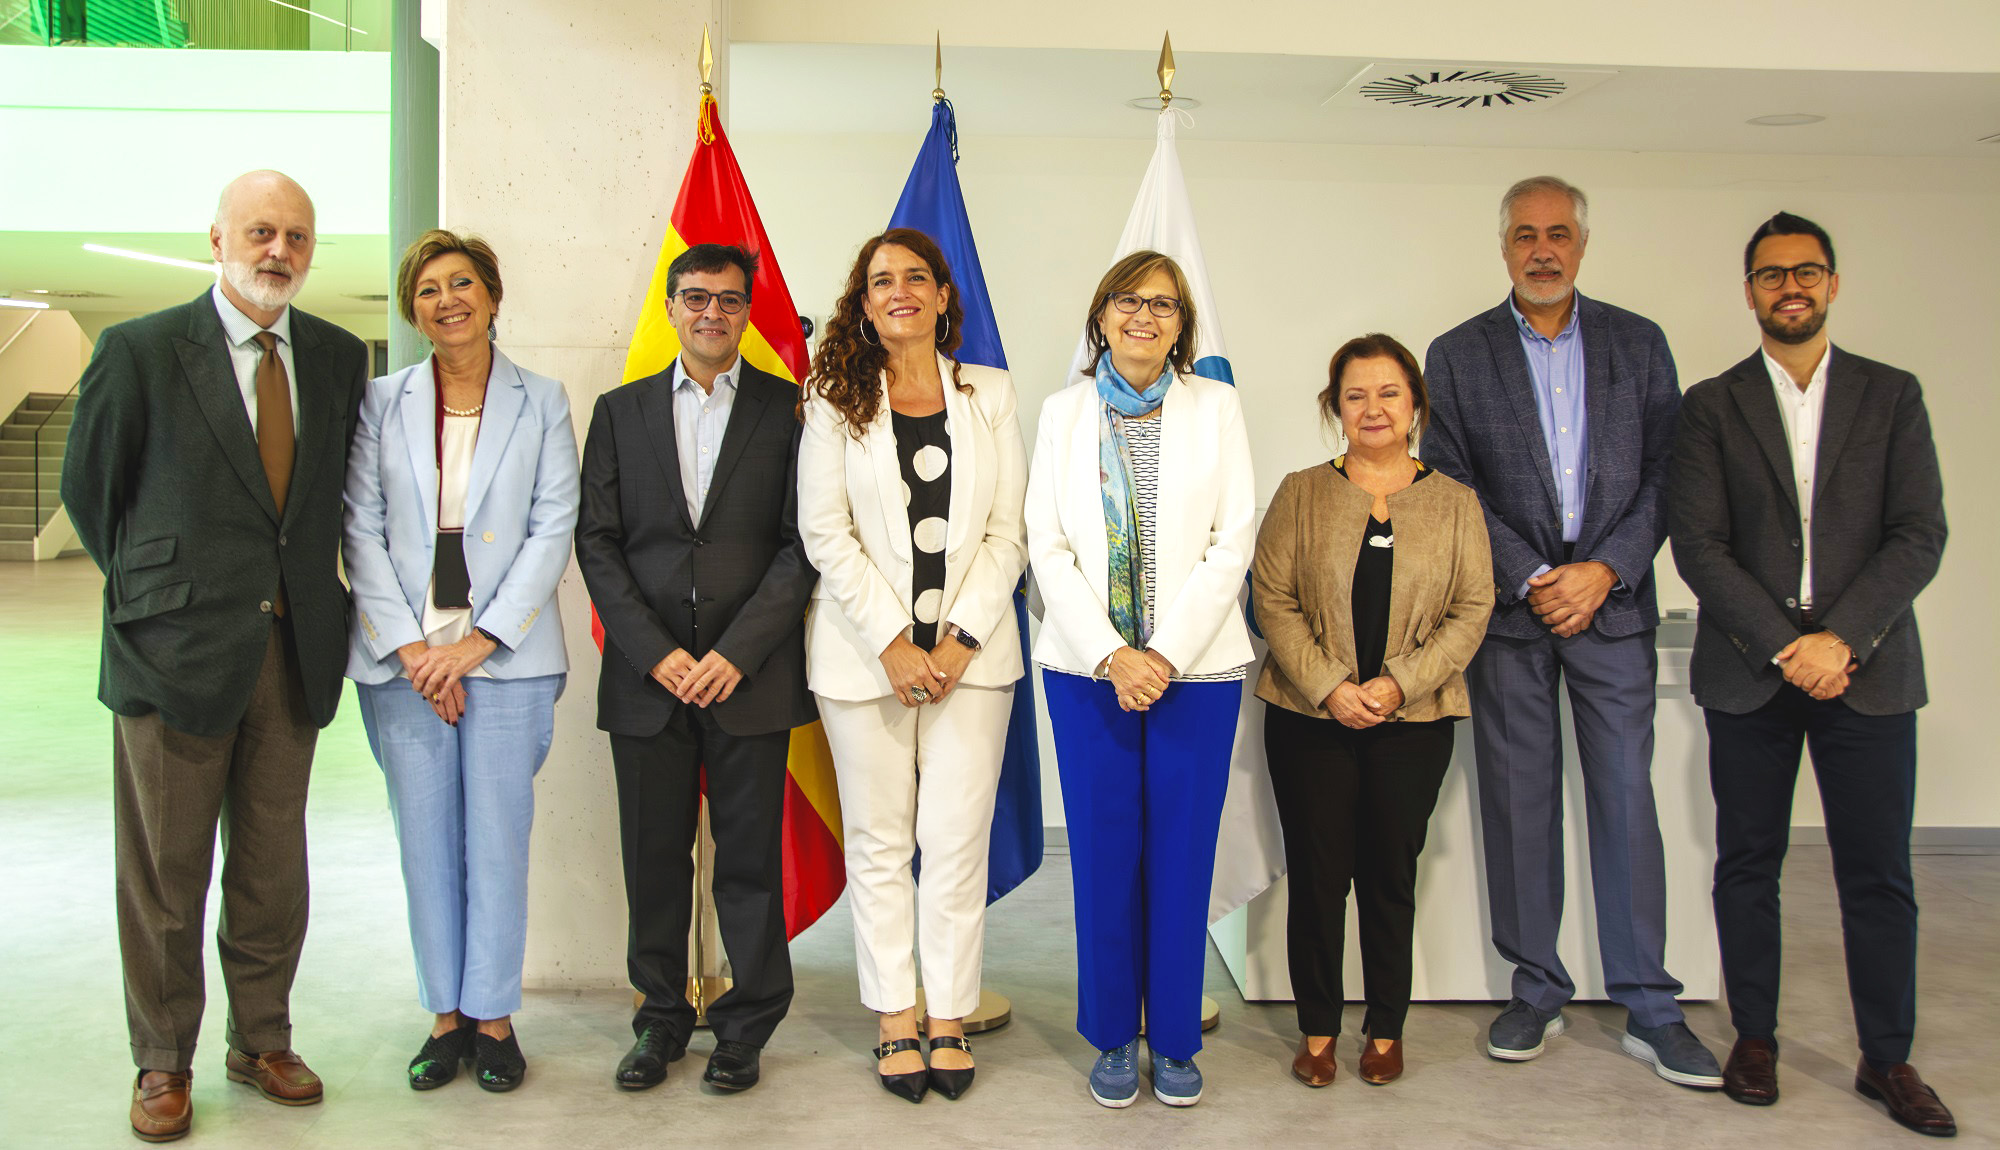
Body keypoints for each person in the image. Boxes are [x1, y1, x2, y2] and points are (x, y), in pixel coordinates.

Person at [60, 170, 368, 1142]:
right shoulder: (143, 350)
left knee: (273, 869)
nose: (280, 250)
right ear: (218, 239)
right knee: (166, 872)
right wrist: (162, 601)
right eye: (262, 232)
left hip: (292, 652)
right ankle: (163, 1058)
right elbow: (91, 492)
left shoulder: (329, 357)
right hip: (171, 657)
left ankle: (261, 1037)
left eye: (298, 237)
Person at [1422, 175, 1722, 1087]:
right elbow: (1451, 479)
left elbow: (1670, 473)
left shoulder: (1638, 343)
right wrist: (1532, 574)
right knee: (1519, 802)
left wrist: (1605, 569)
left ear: (1582, 245)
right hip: (1512, 617)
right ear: (1503, 247)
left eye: (1558, 233)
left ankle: (1649, 1004)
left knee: (1626, 801)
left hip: (1615, 606)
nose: (1542, 249)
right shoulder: (1458, 354)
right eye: (1525, 235)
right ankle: (1536, 988)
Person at [1668, 212, 1953, 1136]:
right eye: (1770, 274)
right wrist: (1788, 644)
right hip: (1752, 670)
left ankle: (1888, 1058)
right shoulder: (1712, 405)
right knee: (1749, 862)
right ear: (1747, 290)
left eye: (1807, 272)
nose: (1790, 287)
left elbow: (1920, 534)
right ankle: (1755, 1037)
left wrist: (1842, 640)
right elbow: (1700, 545)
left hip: (1867, 671)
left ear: (1833, 284)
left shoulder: (1891, 395)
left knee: (1878, 873)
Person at [575, 242, 817, 1095]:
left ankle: (746, 1028)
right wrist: (661, 655)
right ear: (672, 308)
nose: (711, 312)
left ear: (749, 310)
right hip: (649, 682)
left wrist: (731, 656)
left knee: (750, 864)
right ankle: (660, 1021)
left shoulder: (792, 411)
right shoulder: (620, 410)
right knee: (654, 862)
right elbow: (598, 545)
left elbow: (801, 547)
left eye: (727, 299)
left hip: (750, 681)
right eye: (694, 298)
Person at [342, 230, 579, 1093]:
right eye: (430, 288)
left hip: (507, 661)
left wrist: (479, 642)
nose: (449, 299)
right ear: (413, 310)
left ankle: (495, 1016)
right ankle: (444, 1018)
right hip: (404, 665)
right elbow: (359, 526)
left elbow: (555, 526)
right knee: (427, 845)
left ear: (492, 294)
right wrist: (413, 647)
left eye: (464, 282)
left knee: (498, 841)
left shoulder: (542, 399)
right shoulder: (379, 402)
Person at [797, 228, 1028, 1104]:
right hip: (863, 661)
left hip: (973, 663)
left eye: (915, 278)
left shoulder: (992, 395)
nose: (899, 291)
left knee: (956, 842)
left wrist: (957, 642)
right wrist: (896, 644)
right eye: (880, 281)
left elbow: (1009, 531)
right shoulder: (833, 397)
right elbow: (826, 532)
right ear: (863, 303)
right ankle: (896, 1015)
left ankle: (949, 1016)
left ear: (941, 295)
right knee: (881, 842)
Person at [1026, 250, 1254, 1109]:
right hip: (1089, 673)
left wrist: (1165, 655)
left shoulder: (1216, 407)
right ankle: (1115, 1035)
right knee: (1104, 856)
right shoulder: (1062, 412)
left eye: (1163, 304)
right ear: (1102, 314)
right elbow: (1044, 542)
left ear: (1181, 324)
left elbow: (1233, 540)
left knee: (1183, 857)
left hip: (1197, 672)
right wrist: (1111, 653)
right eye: (1129, 301)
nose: (1144, 317)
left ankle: (1180, 1041)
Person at [1251, 334, 1493, 1090]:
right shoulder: (1300, 492)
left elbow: (1472, 606)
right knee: (1319, 877)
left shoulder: (1455, 503)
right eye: (1355, 395)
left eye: (1389, 392)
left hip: (1412, 724)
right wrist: (1329, 685)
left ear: (1415, 405)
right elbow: (1273, 599)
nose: (1373, 408)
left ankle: (1385, 1026)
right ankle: (1318, 1027)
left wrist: (1397, 684)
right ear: (1335, 408)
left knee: (1390, 874)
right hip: (1307, 720)